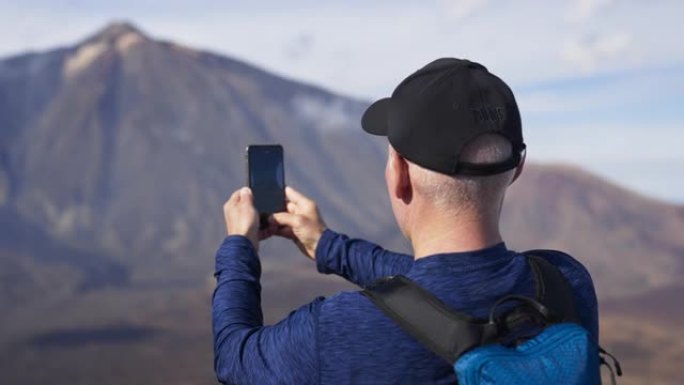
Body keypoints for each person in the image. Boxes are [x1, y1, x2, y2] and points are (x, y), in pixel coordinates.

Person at [213, 58, 598, 384]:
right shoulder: (565, 282)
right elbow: (445, 287)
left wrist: (239, 247)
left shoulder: (335, 332)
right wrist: (328, 246)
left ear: (399, 173)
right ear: (517, 169)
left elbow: (235, 357)